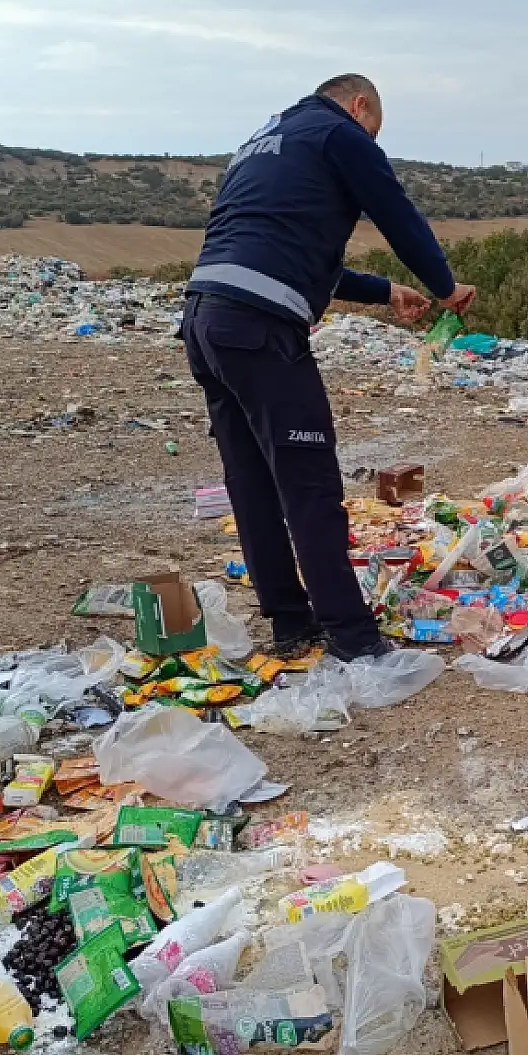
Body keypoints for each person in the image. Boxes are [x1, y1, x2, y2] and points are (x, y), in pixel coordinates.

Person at [182, 73, 475, 661]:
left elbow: (291, 253)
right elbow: (397, 215)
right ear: (359, 105)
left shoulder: (267, 139)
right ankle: (355, 639)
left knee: (252, 480)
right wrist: (444, 286)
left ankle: (292, 625)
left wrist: (387, 291)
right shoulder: (340, 134)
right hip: (261, 329)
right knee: (310, 483)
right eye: (375, 128)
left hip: (205, 320)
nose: (371, 139)